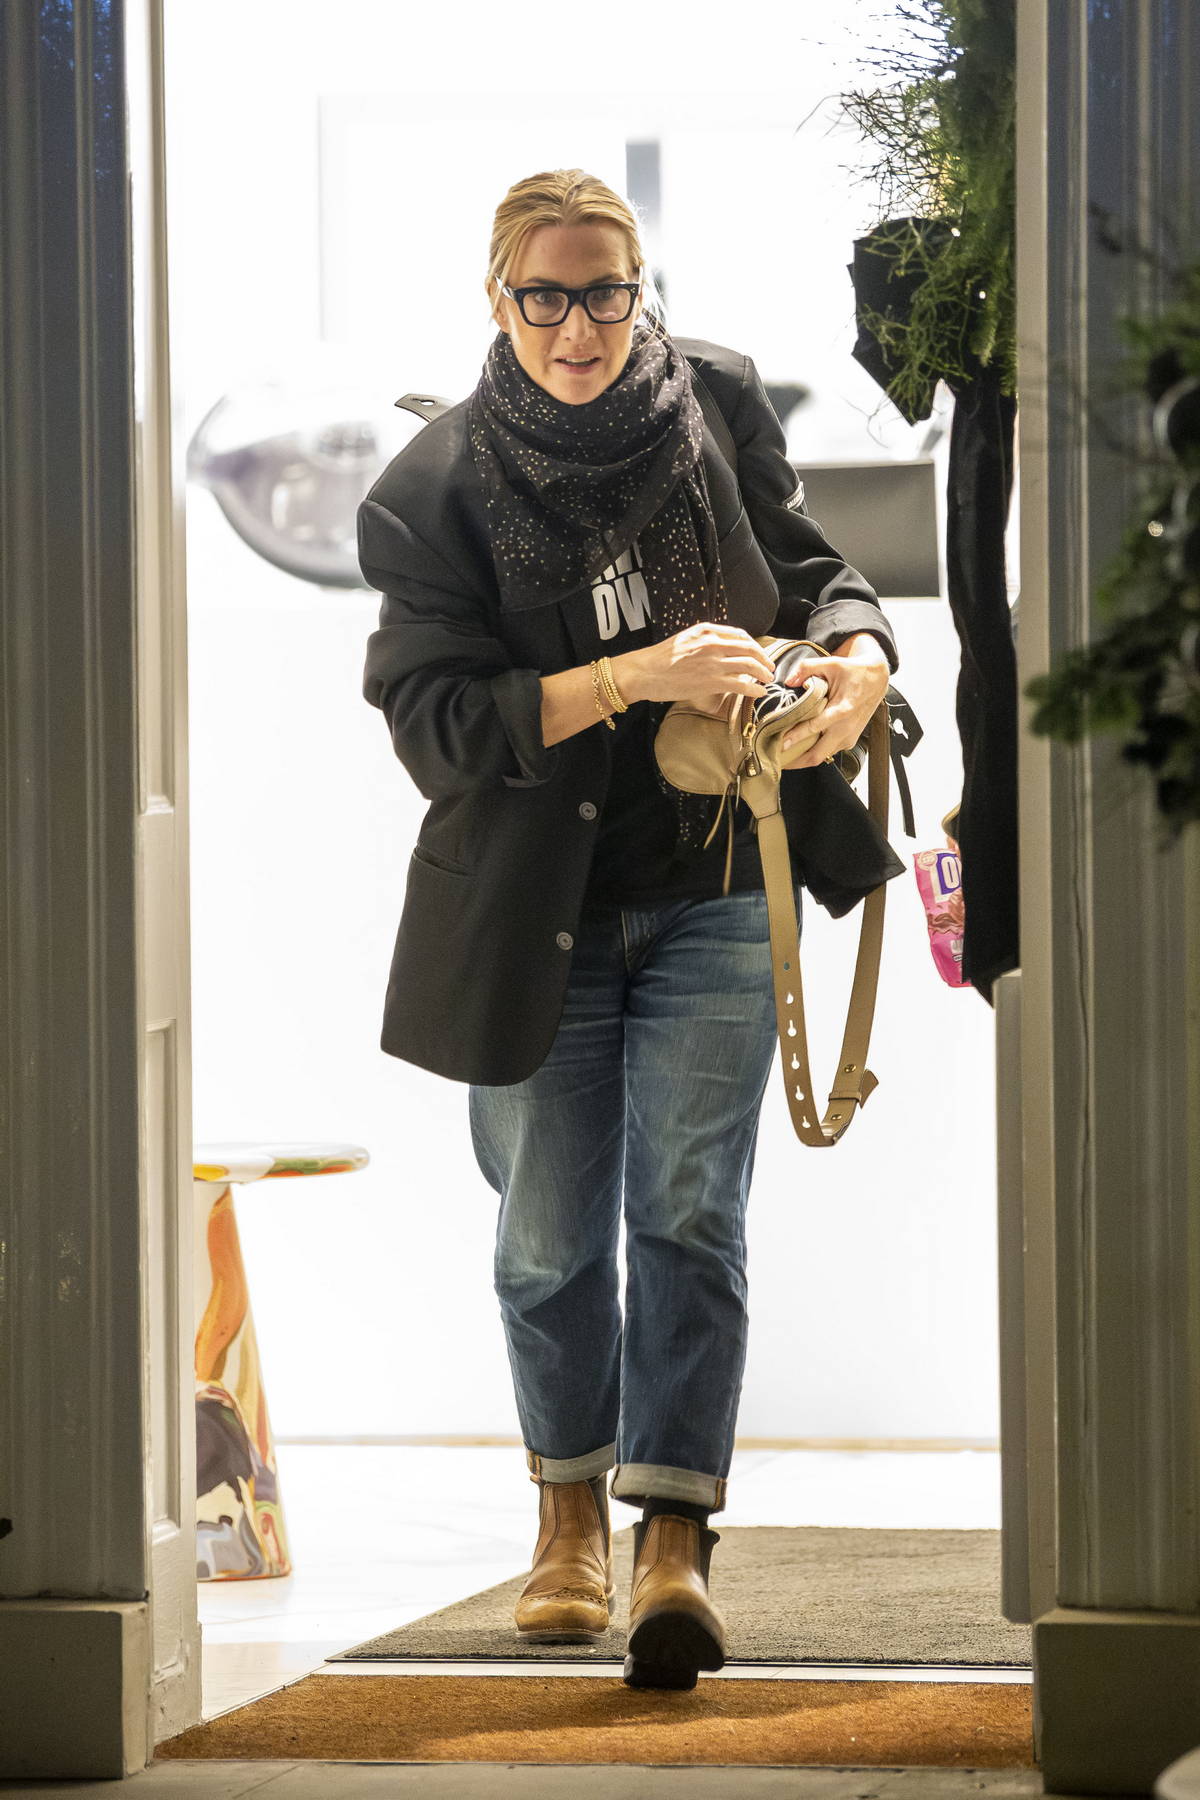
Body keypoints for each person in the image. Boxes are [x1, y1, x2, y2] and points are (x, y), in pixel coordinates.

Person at [359, 168, 903, 1691]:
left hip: (723, 880)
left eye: (608, 292)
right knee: (545, 1244)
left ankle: (671, 1539)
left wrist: (855, 657)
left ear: (640, 287)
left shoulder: (716, 399)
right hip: (533, 913)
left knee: (689, 1217)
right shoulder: (434, 485)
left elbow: (812, 573)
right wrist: (639, 675)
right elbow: (439, 725)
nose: (583, 326)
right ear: (499, 299)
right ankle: (563, 1518)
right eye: (549, 297)